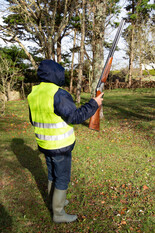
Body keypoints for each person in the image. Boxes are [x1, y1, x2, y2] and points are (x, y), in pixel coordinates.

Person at [27, 59, 103, 223]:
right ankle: (59, 213)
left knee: (52, 175)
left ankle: (54, 202)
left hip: (44, 144)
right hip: (60, 146)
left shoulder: (34, 93)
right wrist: (93, 104)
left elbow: (33, 120)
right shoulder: (58, 93)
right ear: (56, 74)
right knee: (62, 178)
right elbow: (75, 117)